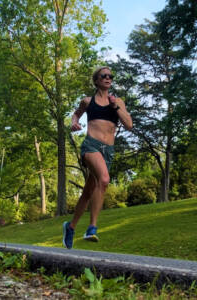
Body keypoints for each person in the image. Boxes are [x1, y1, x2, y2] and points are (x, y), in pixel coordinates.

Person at [63, 66, 133, 249]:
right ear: (96, 80)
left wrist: (115, 106)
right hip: (91, 145)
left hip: (108, 151)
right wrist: (74, 123)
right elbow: (76, 114)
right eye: (104, 76)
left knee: (89, 191)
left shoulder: (118, 101)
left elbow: (129, 125)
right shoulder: (88, 101)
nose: (108, 78)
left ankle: (70, 227)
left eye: (111, 76)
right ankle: (92, 227)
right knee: (104, 179)